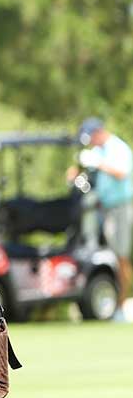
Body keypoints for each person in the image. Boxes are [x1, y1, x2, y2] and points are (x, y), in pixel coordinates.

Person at [71, 117, 133, 320]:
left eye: (91, 138)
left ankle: (123, 304)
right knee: (109, 255)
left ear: (98, 132)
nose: (90, 143)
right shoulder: (98, 151)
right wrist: (75, 171)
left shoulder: (118, 148)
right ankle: (117, 302)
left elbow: (122, 173)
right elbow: (85, 170)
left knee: (120, 256)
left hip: (121, 208)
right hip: (105, 210)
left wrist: (99, 163)